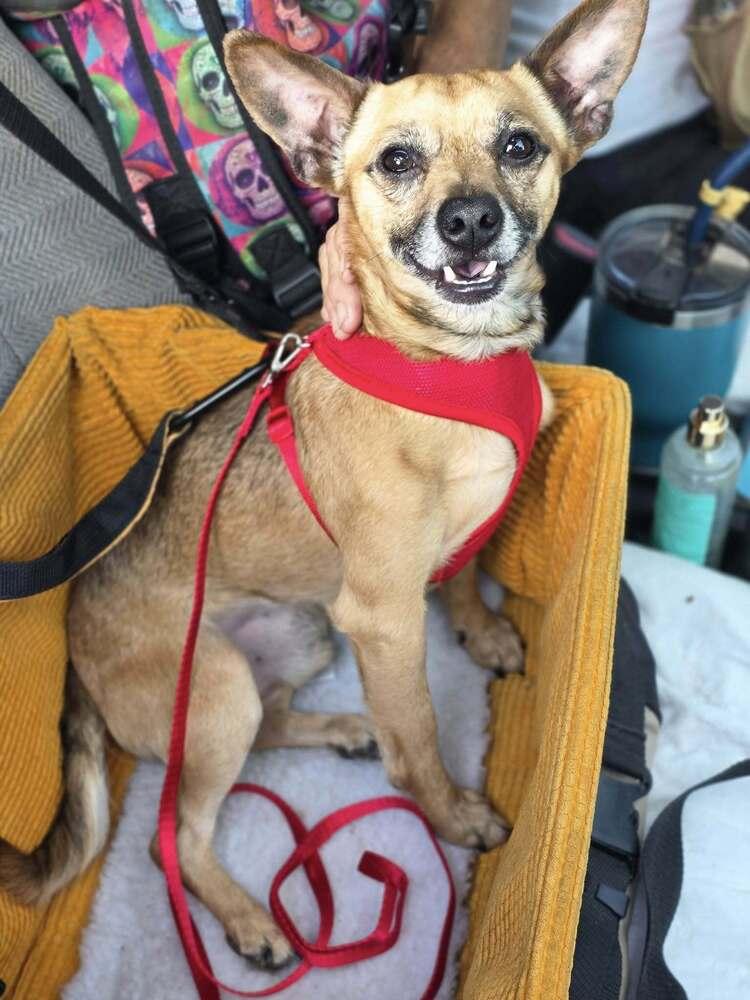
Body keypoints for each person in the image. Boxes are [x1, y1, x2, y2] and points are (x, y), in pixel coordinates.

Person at [322, 0, 750, 343]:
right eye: (399, 162)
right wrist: (357, 205)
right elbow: (456, 63)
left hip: (698, 129)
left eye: (518, 146)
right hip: (538, 132)